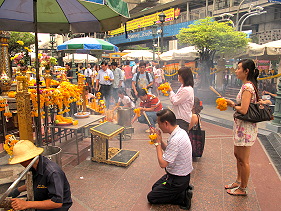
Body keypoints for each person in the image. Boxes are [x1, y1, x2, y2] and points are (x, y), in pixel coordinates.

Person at [224, 59, 260, 196]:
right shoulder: (246, 85)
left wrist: (232, 104)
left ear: (246, 71)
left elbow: (244, 110)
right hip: (241, 127)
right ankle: (238, 181)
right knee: (237, 155)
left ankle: (243, 188)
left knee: (244, 160)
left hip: (246, 128)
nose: (236, 70)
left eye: (239, 68)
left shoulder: (247, 87)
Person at [147, 109, 193, 210]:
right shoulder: (180, 131)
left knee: (152, 197)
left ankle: (183, 197)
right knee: (155, 187)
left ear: (166, 123)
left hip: (178, 180)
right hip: (178, 176)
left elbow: (163, 164)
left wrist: (158, 143)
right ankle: (183, 189)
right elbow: (169, 150)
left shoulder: (176, 139)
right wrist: (160, 140)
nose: (158, 126)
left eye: (159, 123)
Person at [8, 140, 72, 211]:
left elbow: (57, 202)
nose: (20, 163)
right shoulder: (33, 166)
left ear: (26, 160)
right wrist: (18, 190)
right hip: (41, 196)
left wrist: (26, 204)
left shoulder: (52, 172)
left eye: (20, 161)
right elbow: (38, 183)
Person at [168, 67, 194, 134]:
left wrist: (171, 91)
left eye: (179, 75)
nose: (178, 77)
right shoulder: (183, 87)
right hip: (178, 117)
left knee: (179, 139)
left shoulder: (187, 90)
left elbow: (175, 101)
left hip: (182, 118)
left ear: (184, 76)